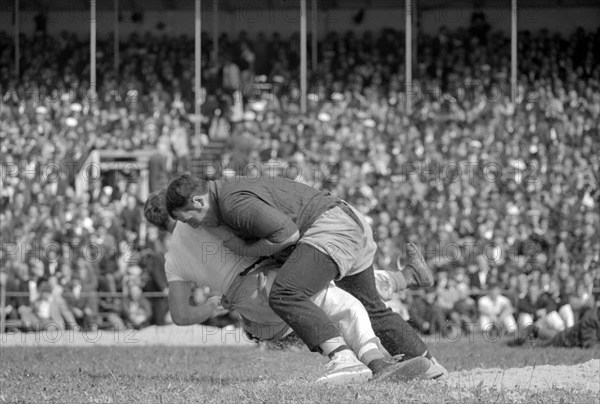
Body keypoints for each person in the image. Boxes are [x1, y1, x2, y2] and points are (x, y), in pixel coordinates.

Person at [164, 175, 446, 379]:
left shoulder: (231, 202)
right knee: (370, 307)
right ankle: (431, 368)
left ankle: (344, 359)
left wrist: (247, 249)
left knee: (285, 293)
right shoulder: (229, 193)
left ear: (199, 200)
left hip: (330, 229)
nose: (193, 226)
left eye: (189, 219)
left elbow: (288, 234)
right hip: (346, 223)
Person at [509, 304, 599, 349]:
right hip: (564, 339)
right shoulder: (592, 319)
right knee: (538, 346)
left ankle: (535, 329)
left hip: (564, 334)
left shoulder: (595, 314)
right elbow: (590, 343)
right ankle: (521, 339)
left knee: (552, 335)